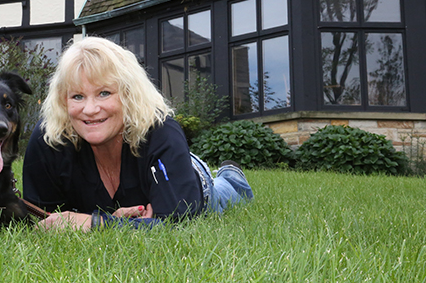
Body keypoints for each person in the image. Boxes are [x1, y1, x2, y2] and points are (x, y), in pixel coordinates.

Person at [23, 36, 253, 230]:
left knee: (223, 195)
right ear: (63, 101)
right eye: (77, 96)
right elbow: (42, 221)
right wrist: (118, 220)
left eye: (104, 93)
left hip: (187, 176)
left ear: (128, 94)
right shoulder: (49, 139)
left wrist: (95, 223)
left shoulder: (161, 130)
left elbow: (179, 221)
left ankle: (232, 177)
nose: (90, 109)